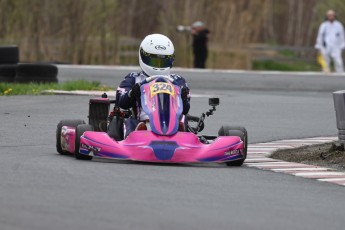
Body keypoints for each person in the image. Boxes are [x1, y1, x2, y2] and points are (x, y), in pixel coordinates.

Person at [115, 34, 190, 138]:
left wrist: (183, 97)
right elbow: (121, 102)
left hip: (172, 123)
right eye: (154, 61)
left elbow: (185, 109)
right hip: (142, 122)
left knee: (183, 117)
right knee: (130, 122)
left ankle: (182, 136)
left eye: (163, 62)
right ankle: (134, 137)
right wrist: (132, 93)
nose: (158, 66)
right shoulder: (133, 78)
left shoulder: (177, 81)